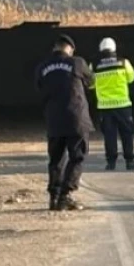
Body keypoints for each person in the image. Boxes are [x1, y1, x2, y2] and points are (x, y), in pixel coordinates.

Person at [35, 34, 95, 211]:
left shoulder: (42, 66)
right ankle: (66, 195)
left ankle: (53, 197)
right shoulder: (77, 63)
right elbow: (91, 82)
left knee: (56, 159)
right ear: (70, 48)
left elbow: (39, 87)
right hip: (76, 118)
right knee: (77, 157)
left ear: (55, 47)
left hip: (54, 119)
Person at [91, 36, 134, 171]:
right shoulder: (124, 63)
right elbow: (131, 78)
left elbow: (90, 84)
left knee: (109, 136)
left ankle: (110, 163)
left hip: (105, 107)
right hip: (123, 105)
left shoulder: (94, 65)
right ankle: (130, 161)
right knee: (127, 134)